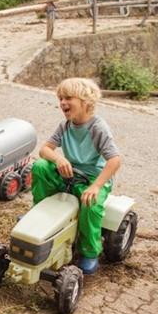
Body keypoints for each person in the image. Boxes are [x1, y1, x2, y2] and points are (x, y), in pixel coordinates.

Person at [31, 78, 121, 275]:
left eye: (68, 98)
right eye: (60, 98)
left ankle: (89, 251)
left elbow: (114, 160)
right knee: (40, 167)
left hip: (91, 179)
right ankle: (39, 217)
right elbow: (45, 149)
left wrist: (96, 186)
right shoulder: (65, 126)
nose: (62, 102)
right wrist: (58, 159)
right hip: (69, 174)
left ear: (85, 102)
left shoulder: (97, 127)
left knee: (90, 204)